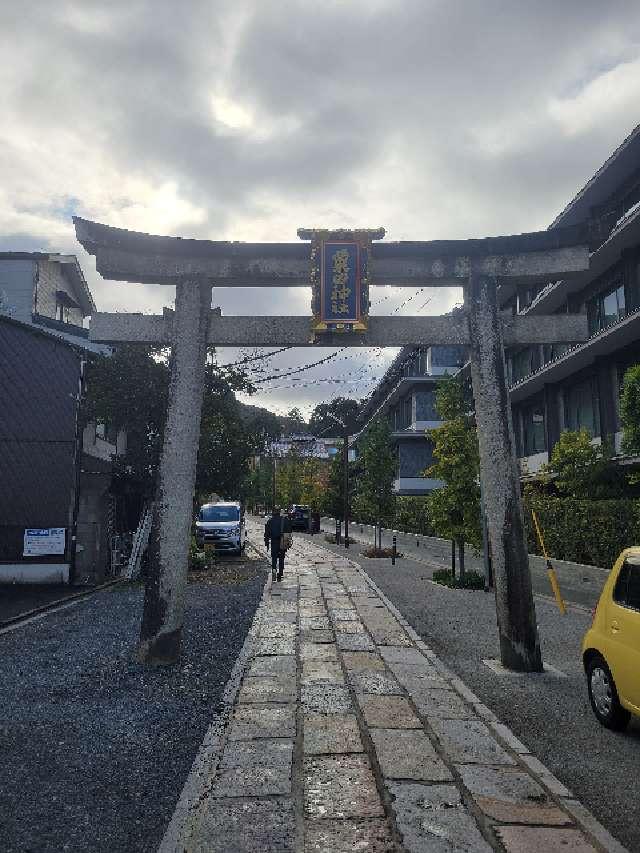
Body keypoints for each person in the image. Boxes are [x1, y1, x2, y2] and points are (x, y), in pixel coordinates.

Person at [264, 507, 292, 582]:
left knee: (274, 558)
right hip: (282, 542)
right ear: (279, 512)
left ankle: (274, 570)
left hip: (274, 542)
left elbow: (266, 534)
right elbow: (289, 531)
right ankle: (280, 574)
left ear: (273, 512)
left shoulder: (270, 521)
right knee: (281, 558)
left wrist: (267, 543)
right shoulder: (284, 520)